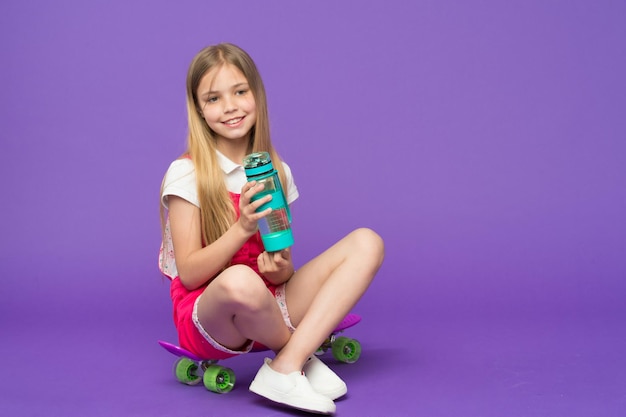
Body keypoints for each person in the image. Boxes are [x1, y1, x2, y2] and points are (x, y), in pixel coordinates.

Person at [159, 43, 384, 415]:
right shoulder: (187, 173)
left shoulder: (275, 171)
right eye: (214, 98)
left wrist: (279, 269)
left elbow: (285, 268)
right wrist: (242, 227)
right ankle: (301, 358)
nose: (230, 106)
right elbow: (190, 272)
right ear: (198, 109)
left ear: (257, 95)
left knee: (367, 242)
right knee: (239, 280)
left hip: (267, 304)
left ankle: (286, 364)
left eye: (240, 92)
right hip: (212, 317)